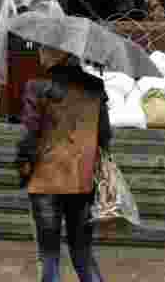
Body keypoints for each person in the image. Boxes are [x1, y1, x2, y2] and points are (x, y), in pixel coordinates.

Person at [16, 46, 111, 282]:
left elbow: (29, 136)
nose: (40, 53)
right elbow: (105, 134)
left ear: (59, 54)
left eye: (44, 49)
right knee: (83, 253)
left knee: (49, 254)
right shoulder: (95, 87)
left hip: (46, 180)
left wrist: (23, 168)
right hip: (82, 180)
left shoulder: (37, 86)